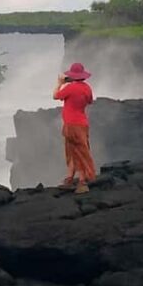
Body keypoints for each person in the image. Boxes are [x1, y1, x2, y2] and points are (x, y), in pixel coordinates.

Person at [53, 63, 96, 194]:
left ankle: (82, 182)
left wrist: (59, 83)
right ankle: (69, 179)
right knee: (75, 151)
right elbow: (89, 101)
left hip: (71, 124)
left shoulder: (70, 88)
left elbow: (55, 95)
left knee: (78, 152)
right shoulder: (87, 88)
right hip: (82, 124)